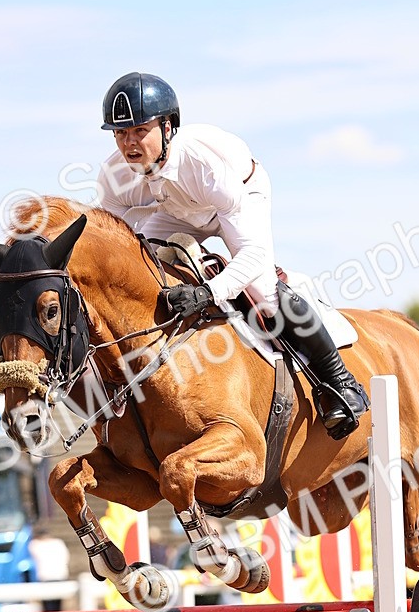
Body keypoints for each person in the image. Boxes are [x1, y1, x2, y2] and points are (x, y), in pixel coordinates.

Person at [96, 71, 370, 440]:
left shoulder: (202, 163)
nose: (129, 143)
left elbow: (253, 253)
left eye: (140, 130)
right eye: (120, 133)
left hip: (240, 195)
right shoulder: (113, 176)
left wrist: (208, 292)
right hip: (178, 210)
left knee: (264, 292)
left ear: (167, 127)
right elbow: (117, 240)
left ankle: (340, 382)